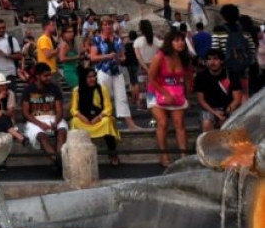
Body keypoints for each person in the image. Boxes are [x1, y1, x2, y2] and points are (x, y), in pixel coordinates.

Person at [148, 30, 192, 167]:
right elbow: (151, 78)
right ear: (170, 42)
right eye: (177, 40)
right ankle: (164, 156)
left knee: (179, 123)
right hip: (156, 91)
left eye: (182, 40)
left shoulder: (185, 58)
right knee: (163, 122)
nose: (181, 43)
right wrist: (165, 94)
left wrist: (187, 93)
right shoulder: (159, 56)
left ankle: (184, 156)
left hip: (176, 93)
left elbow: (188, 77)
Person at [89, 18, 141, 130]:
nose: (108, 26)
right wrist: (106, 56)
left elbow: (123, 56)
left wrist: (119, 59)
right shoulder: (97, 39)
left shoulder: (118, 39)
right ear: (101, 26)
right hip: (103, 70)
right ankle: (105, 123)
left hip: (117, 71)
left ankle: (130, 124)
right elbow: (92, 57)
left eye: (110, 24)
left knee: (122, 97)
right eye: (105, 24)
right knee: (104, 97)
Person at [21, 63, 67, 173]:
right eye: (45, 76)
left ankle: (58, 162)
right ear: (37, 76)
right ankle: (60, 163)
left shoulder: (54, 88)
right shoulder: (29, 90)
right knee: (42, 136)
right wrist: (40, 124)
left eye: (50, 75)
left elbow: (60, 111)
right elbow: (26, 113)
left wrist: (56, 122)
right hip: (35, 120)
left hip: (53, 117)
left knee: (62, 132)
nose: (49, 78)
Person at [69, 69, 121, 165]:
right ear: (84, 78)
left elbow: (108, 107)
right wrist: (82, 117)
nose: (93, 79)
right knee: (74, 121)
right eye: (89, 77)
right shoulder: (77, 90)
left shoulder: (102, 88)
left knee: (107, 121)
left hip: (98, 119)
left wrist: (98, 117)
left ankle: (113, 154)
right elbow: (73, 109)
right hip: (84, 120)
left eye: (94, 76)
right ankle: (79, 156)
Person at [193, 50, 241, 133]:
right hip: (208, 108)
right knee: (207, 123)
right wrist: (214, 112)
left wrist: (226, 112)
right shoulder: (201, 77)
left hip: (227, 108)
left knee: (226, 124)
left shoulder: (231, 75)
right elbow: (201, 100)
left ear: (221, 61)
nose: (212, 62)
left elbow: (237, 99)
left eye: (215, 59)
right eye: (209, 59)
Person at [0, 19, 21, 85]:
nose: (2, 30)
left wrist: (7, 55)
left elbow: (19, 56)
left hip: (9, 74)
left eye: (3, 28)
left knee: (10, 94)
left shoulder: (11, 39)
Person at [57, 25, 80, 90]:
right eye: (69, 32)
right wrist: (76, 57)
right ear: (64, 34)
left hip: (75, 70)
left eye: (72, 31)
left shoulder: (71, 43)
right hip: (69, 71)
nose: (71, 33)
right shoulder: (64, 44)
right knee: (78, 89)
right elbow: (62, 58)